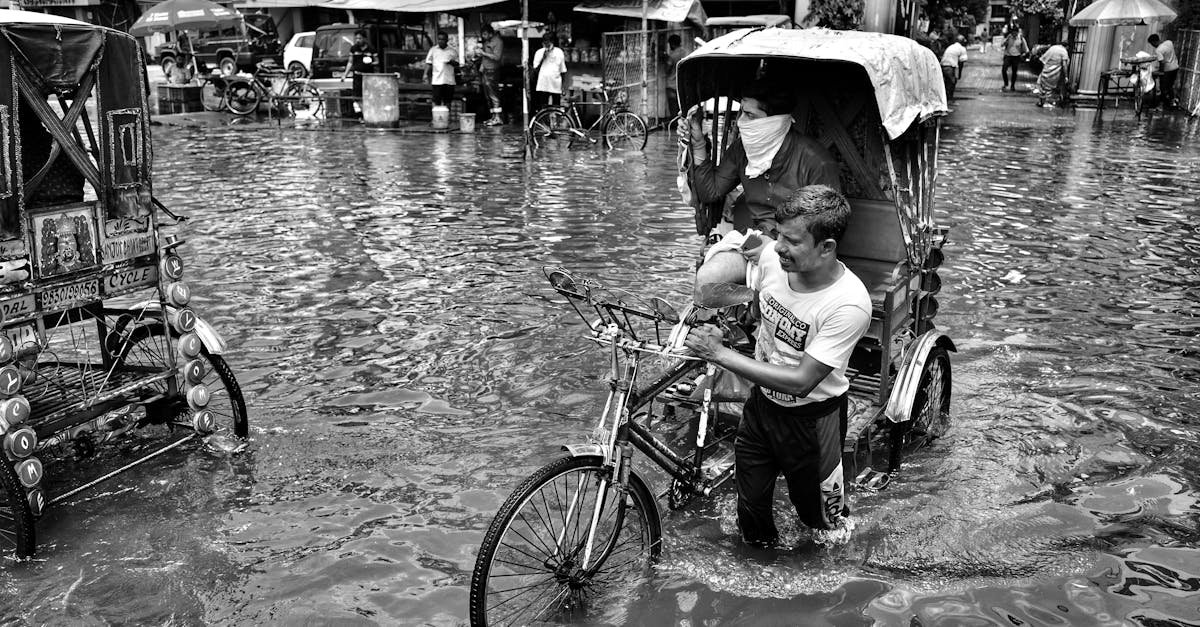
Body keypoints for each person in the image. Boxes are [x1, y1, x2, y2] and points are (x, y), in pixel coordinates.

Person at [684, 185, 872, 547]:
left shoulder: (848, 304)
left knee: (823, 523)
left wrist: (720, 354)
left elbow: (803, 381)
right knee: (750, 510)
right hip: (761, 410)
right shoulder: (772, 258)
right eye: (779, 236)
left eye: (793, 241)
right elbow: (745, 258)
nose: (780, 247)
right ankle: (759, 581)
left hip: (813, 423)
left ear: (826, 247)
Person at [681, 78, 841, 239]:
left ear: (774, 121)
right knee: (720, 258)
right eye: (741, 112)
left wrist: (777, 245)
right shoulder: (740, 149)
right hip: (752, 237)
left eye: (750, 115)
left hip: (793, 248)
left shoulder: (817, 162)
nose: (740, 122)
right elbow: (711, 192)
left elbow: (826, 226)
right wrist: (699, 145)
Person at [425, 31, 460, 108]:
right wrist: (425, 74)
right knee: (436, 100)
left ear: (447, 40)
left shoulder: (452, 51)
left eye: (443, 39)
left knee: (447, 101)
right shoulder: (433, 50)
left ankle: (446, 117)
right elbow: (429, 63)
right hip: (437, 80)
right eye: (439, 39)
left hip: (449, 80)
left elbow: (457, 64)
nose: (441, 41)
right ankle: (436, 117)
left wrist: (452, 62)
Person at [342, 29, 378, 105]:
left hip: (368, 76)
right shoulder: (353, 48)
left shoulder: (371, 49)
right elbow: (350, 62)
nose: (358, 40)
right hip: (357, 76)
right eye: (356, 38)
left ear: (365, 38)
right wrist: (345, 75)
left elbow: (377, 61)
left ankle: (367, 112)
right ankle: (363, 112)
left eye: (360, 38)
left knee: (369, 95)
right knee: (357, 97)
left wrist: (371, 63)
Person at [532, 35, 567, 110]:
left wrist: (563, 86)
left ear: (552, 42)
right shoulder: (539, 53)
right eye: (545, 43)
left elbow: (563, 70)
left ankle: (556, 120)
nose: (547, 46)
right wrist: (543, 58)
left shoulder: (559, 52)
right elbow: (535, 70)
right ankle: (544, 120)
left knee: (556, 107)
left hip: (556, 84)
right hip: (543, 84)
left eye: (548, 43)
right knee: (544, 107)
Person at [478, 25, 504, 125]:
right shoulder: (486, 42)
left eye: (485, 34)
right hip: (485, 70)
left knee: (493, 95)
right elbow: (485, 57)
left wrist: (484, 54)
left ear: (490, 33)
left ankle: (498, 117)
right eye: (483, 34)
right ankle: (493, 117)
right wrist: (482, 65)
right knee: (488, 95)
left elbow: (497, 57)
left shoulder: (498, 42)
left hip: (493, 71)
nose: (483, 36)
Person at [1148, 34, 1179, 108]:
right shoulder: (1169, 42)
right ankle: (1173, 102)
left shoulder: (1158, 50)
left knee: (1164, 88)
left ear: (1154, 42)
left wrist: (1160, 71)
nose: (1153, 46)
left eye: (1152, 44)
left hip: (1167, 70)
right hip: (1175, 67)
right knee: (1170, 86)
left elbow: (1161, 62)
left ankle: (1165, 104)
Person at [1035, 41, 1069, 107]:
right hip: (1055, 72)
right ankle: (1051, 101)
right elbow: (1064, 65)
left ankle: (1041, 101)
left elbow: (1043, 59)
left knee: (1043, 87)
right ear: (1066, 47)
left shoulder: (1053, 47)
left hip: (1046, 70)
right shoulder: (1064, 51)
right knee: (1051, 87)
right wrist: (1066, 76)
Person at [665, 34, 687, 120]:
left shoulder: (672, 56)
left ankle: (674, 125)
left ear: (672, 44)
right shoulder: (685, 53)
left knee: (673, 108)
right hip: (682, 84)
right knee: (681, 106)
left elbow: (667, 69)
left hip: (672, 84)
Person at [940, 35, 968, 101]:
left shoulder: (951, 47)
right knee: (952, 82)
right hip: (949, 66)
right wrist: (959, 74)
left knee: (947, 82)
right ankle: (949, 100)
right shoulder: (962, 49)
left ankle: (946, 99)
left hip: (943, 65)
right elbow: (961, 62)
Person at [1001, 27, 1028, 91]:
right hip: (1008, 55)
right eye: (1012, 33)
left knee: (1014, 71)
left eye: (1015, 33)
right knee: (1004, 69)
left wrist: (1024, 54)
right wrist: (1006, 41)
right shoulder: (1009, 37)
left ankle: (1012, 85)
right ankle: (1006, 83)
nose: (1014, 34)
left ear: (1017, 32)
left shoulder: (1021, 38)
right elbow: (1002, 45)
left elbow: (1025, 48)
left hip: (1016, 56)